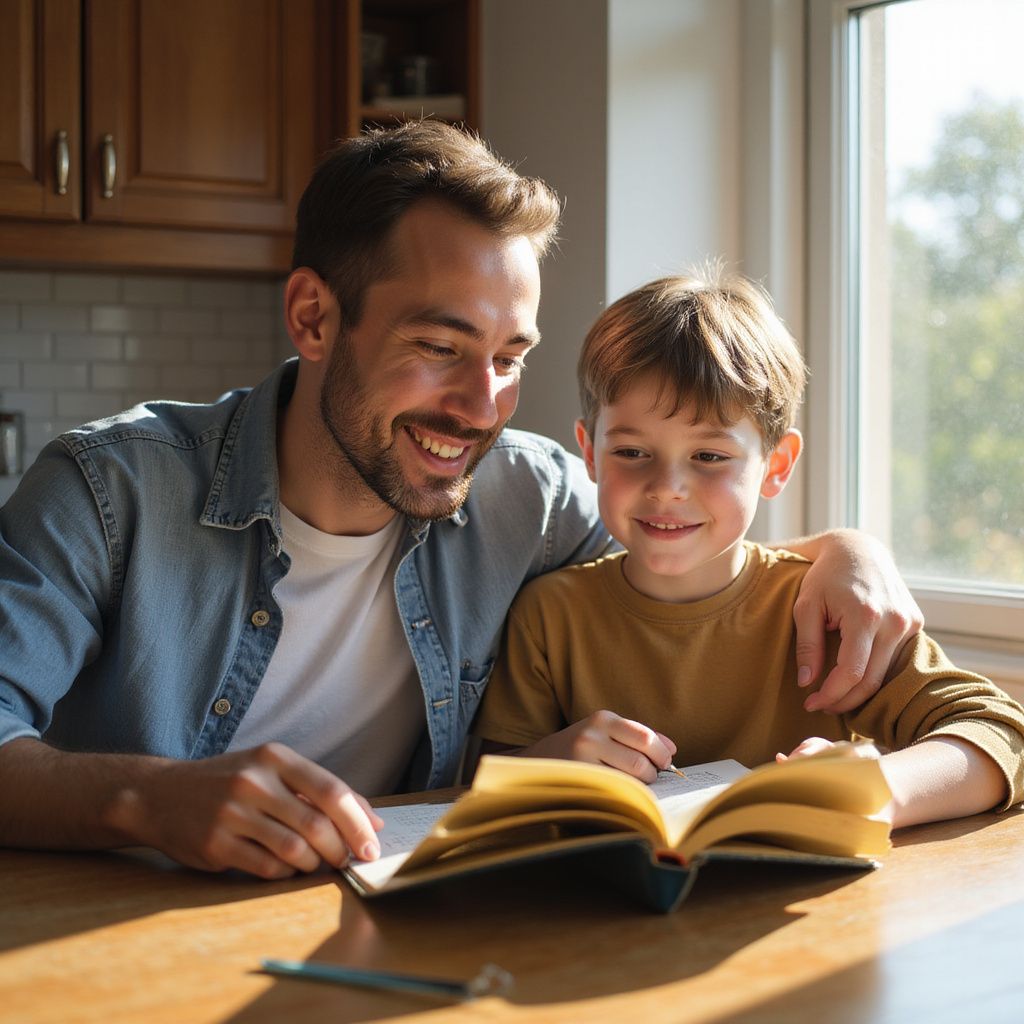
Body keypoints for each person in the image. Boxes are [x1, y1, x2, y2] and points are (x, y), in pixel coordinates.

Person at [0, 122, 922, 880]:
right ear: (315, 317)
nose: (483, 407)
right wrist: (151, 800)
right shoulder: (109, 491)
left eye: (510, 357)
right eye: (440, 347)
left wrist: (845, 549)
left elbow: (684, 523)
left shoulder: (524, 493)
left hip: (389, 924)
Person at [472, 269, 1024, 827]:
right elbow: (478, 781)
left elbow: (1002, 734)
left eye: (709, 457)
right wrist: (554, 761)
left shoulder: (825, 608)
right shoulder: (548, 616)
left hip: (808, 910)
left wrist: (879, 787)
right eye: (633, 452)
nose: (667, 487)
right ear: (589, 453)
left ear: (775, 465)